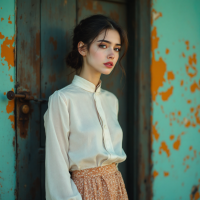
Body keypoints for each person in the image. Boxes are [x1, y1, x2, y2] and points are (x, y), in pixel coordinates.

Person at [44, 14, 129, 200]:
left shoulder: (111, 100)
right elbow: (56, 166)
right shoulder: (62, 99)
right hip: (84, 192)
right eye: (103, 45)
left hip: (117, 188)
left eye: (117, 48)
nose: (112, 54)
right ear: (82, 48)